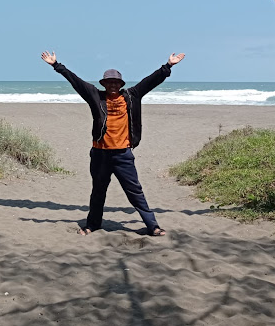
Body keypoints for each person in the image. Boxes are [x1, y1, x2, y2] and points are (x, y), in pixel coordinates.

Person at [41, 51, 186, 236]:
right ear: (104, 84)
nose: (112, 85)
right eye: (109, 82)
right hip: (100, 154)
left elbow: (151, 81)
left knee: (135, 192)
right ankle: (92, 225)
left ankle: (153, 226)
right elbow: (76, 82)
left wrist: (168, 66)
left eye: (116, 82)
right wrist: (56, 65)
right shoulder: (96, 96)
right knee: (98, 192)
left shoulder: (132, 96)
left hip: (123, 155)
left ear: (120, 84)